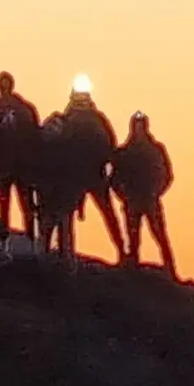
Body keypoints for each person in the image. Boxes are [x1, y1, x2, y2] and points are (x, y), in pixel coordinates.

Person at [62, 80, 126, 262]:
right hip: (87, 174)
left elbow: (109, 145)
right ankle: (121, 251)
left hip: (85, 175)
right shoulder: (95, 119)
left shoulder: (73, 119)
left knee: (73, 214)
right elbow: (110, 144)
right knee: (105, 214)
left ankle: (68, 253)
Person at [0, 72, 40, 255]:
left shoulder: (23, 108)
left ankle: (32, 246)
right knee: (4, 207)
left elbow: (34, 137)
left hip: (22, 167)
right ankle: (5, 247)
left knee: (26, 206)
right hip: (3, 167)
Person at [112, 112, 178, 277]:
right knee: (133, 238)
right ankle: (133, 269)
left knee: (160, 236)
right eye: (136, 125)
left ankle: (171, 271)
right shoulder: (124, 152)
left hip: (150, 199)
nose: (138, 129)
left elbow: (167, 174)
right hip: (132, 200)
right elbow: (114, 178)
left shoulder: (155, 149)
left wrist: (156, 192)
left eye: (141, 125)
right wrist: (124, 195)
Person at [34, 112, 83, 267]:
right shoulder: (47, 152)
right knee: (50, 233)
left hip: (60, 200)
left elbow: (72, 177)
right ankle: (53, 261)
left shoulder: (63, 152)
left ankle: (63, 261)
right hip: (52, 200)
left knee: (62, 235)